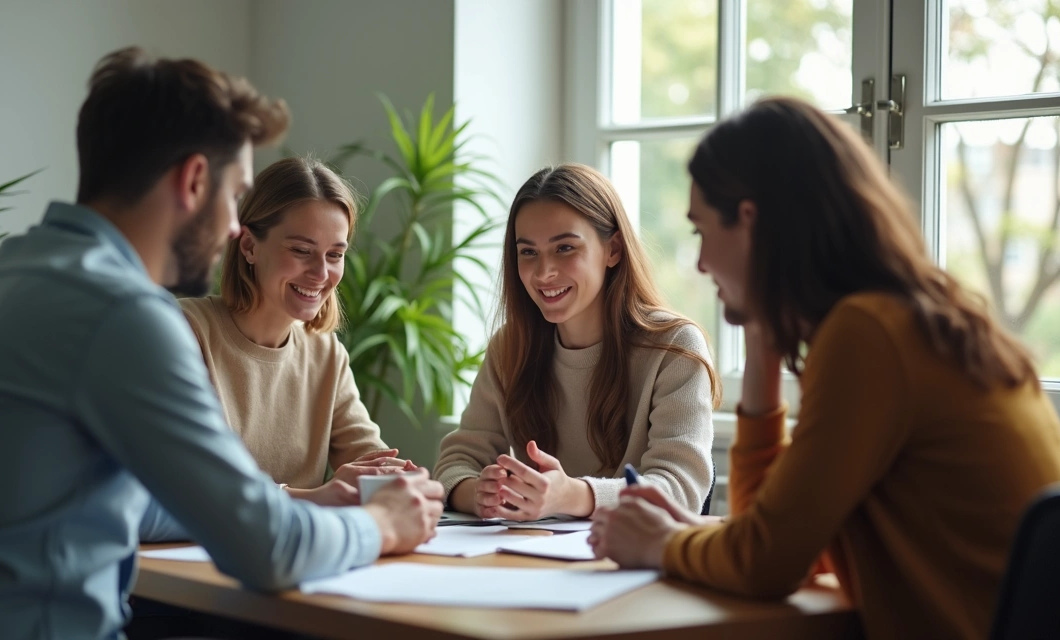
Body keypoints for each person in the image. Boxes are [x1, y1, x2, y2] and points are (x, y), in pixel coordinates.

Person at [0, 47, 443, 640]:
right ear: (194, 180)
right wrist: (380, 524)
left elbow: (139, 506)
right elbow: (268, 550)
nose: (231, 228)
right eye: (234, 194)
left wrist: (297, 502)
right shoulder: (120, 313)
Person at [588, 96, 1060, 639]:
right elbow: (769, 534)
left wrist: (659, 543)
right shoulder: (913, 317)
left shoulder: (870, 336)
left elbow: (765, 564)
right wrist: (763, 349)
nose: (700, 262)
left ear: (750, 222)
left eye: (702, 231)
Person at [433, 163, 719, 522]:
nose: (543, 273)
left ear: (613, 249)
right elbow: (455, 463)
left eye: (565, 248)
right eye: (528, 252)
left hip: (632, 563)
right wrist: (479, 493)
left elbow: (680, 489)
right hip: (530, 562)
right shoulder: (510, 348)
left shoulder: (675, 347)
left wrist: (572, 495)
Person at [178, 156, 416, 508]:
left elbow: (370, 458)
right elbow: (189, 481)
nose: (321, 273)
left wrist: (401, 481)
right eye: (301, 251)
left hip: (299, 554)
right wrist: (315, 497)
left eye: (335, 255)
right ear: (248, 246)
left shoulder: (326, 354)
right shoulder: (184, 331)